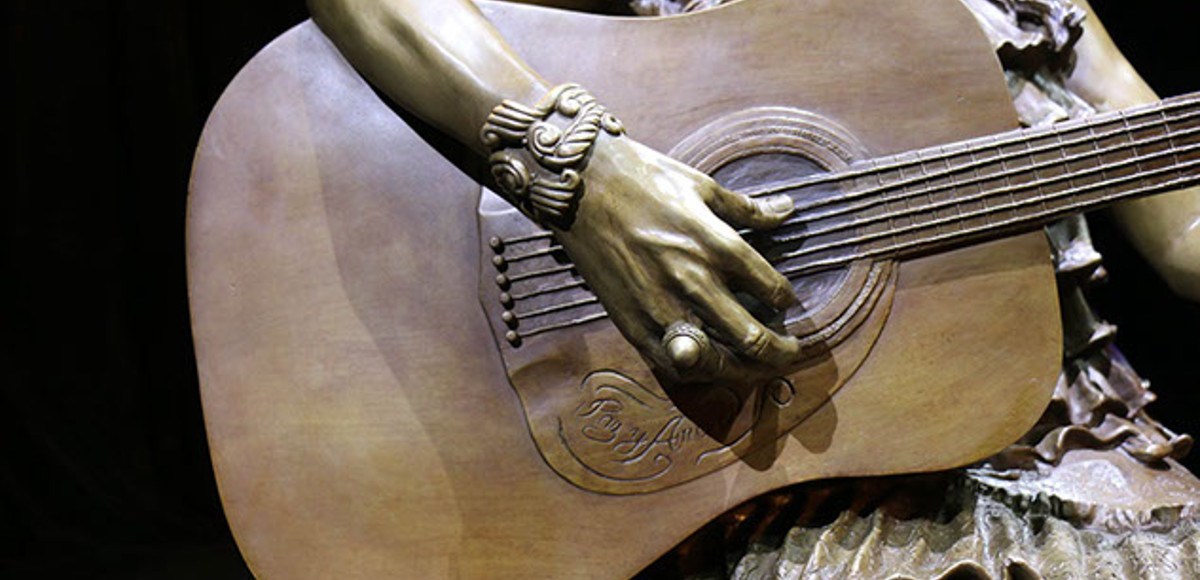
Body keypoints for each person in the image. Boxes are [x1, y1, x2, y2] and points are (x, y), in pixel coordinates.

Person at [305, 0, 1200, 576]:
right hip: (784, 469)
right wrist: (582, 173)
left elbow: (1184, 236)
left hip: (1077, 458)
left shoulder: (1038, 9)